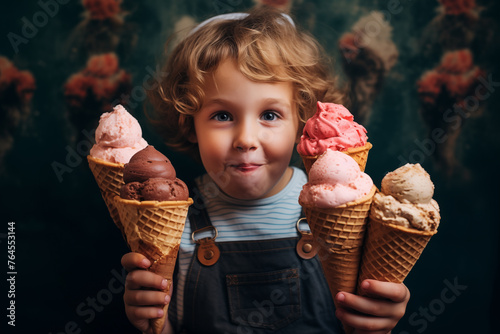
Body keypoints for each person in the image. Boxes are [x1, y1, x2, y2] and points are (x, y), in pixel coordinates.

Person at [121, 7, 410, 334]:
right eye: (223, 116)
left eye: (270, 115)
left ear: (301, 122)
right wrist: (151, 322)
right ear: (190, 124)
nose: (246, 139)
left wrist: (379, 320)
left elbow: (363, 317)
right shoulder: (175, 221)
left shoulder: (343, 210)